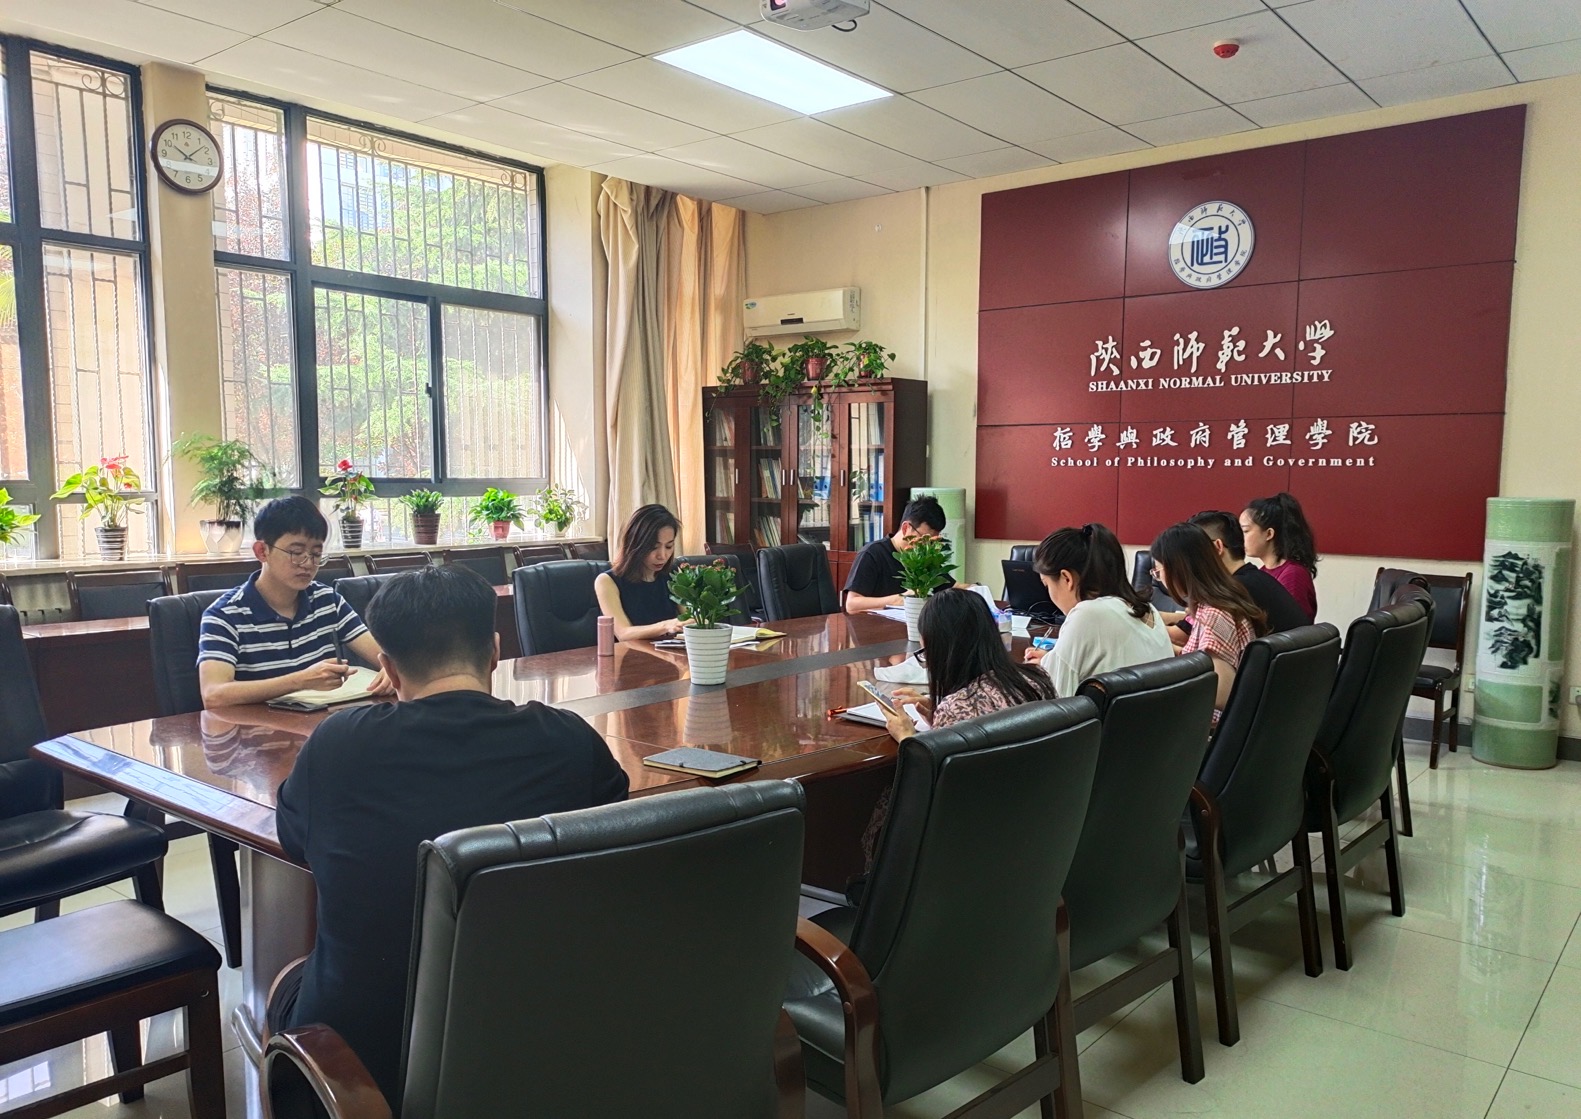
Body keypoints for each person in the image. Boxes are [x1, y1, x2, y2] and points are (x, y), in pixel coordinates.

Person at [270, 565, 629, 1109]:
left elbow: (296, 842)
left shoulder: (337, 746)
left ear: (388, 668)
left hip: (367, 1073)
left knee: (288, 981)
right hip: (544, 1046)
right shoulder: (571, 741)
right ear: (495, 651)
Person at [864, 588, 1056, 868]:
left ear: (944, 650)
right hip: (1035, 829)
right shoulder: (1036, 679)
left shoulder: (959, 705)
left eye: (926, 652)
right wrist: (938, 718)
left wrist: (907, 737)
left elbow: (933, 787)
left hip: (971, 844)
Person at [198, 495, 394, 708]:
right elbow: (213, 695)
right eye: (296, 552)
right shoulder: (224, 615)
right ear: (262, 551)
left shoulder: (327, 601)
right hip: (255, 727)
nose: (308, 563)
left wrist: (392, 669)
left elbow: (385, 657)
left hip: (323, 723)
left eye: (316, 554)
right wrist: (300, 681)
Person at [1019, 523, 1174, 697]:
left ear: (1066, 578)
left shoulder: (1087, 614)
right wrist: (1051, 660)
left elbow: (1055, 700)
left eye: (1046, 585)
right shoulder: (1148, 609)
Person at [1151, 522, 1269, 718]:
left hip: (1205, 726)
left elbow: (1221, 694)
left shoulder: (1214, 615)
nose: (1159, 579)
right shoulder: (1221, 600)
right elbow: (1203, 659)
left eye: (1158, 572)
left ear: (1177, 570)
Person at [843, 494, 952, 614]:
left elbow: (953, 587)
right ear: (906, 528)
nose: (927, 545)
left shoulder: (924, 558)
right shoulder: (872, 553)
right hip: (876, 624)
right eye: (924, 538)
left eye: (932, 541)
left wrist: (970, 589)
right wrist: (898, 600)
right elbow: (852, 605)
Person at [594, 504, 686, 642]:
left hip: (667, 652)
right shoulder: (606, 581)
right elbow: (623, 633)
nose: (662, 555)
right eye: (653, 547)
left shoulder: (673, 574)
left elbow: (690, 617)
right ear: (635, 544)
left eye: (669, 546)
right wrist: (667, 626)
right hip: (628, 654)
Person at [1240, 492, 1319, 622]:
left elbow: (1291, 625)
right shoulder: (1262, 572)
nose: (1240, 537)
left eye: (1245, 531)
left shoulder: (1293, 574)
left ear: (1269, 534)